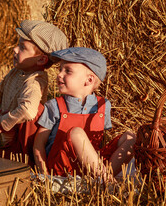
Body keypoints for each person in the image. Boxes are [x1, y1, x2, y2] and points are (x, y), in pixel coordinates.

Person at [33, 47, 136, 181]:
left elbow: (99, 143)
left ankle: (106, 177)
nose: (59, 75)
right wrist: (44, 174)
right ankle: (106, 181)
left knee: (131, 137)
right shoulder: (54, 106)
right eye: (60, 70)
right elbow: (38, 144)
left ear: (89, 80)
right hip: (62, 168)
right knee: (77, 133)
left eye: (67, 71)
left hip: (91, 167)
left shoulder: (103, 106)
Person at [0, 20, 68, 166]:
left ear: (41, 59)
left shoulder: (36, 81)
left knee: (37, 109)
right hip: (12, 144)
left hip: (27, 146)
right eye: (18, 44)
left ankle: (28, 163)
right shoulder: (14, 75)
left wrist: (2, 121)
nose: (15, 49)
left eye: (22, 47)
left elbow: (29, 111)